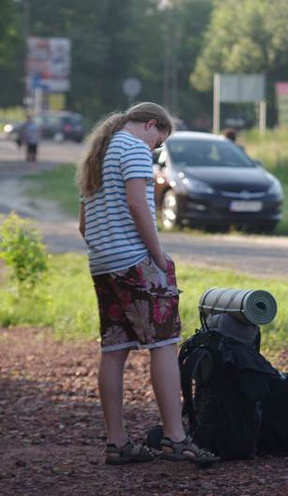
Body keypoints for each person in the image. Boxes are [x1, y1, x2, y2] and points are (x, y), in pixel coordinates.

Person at [75, 102, 218, 466]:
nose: (155, 148)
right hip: (135, 262)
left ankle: (117, 442)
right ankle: (175, 437)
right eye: (159, 141)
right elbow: (139, 205)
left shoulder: (99, 152)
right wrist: (159, 256)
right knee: (165, 345)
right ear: (152, 125)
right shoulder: (134, 148)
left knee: (114, 350)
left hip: (103, 264)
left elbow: (83, 225)